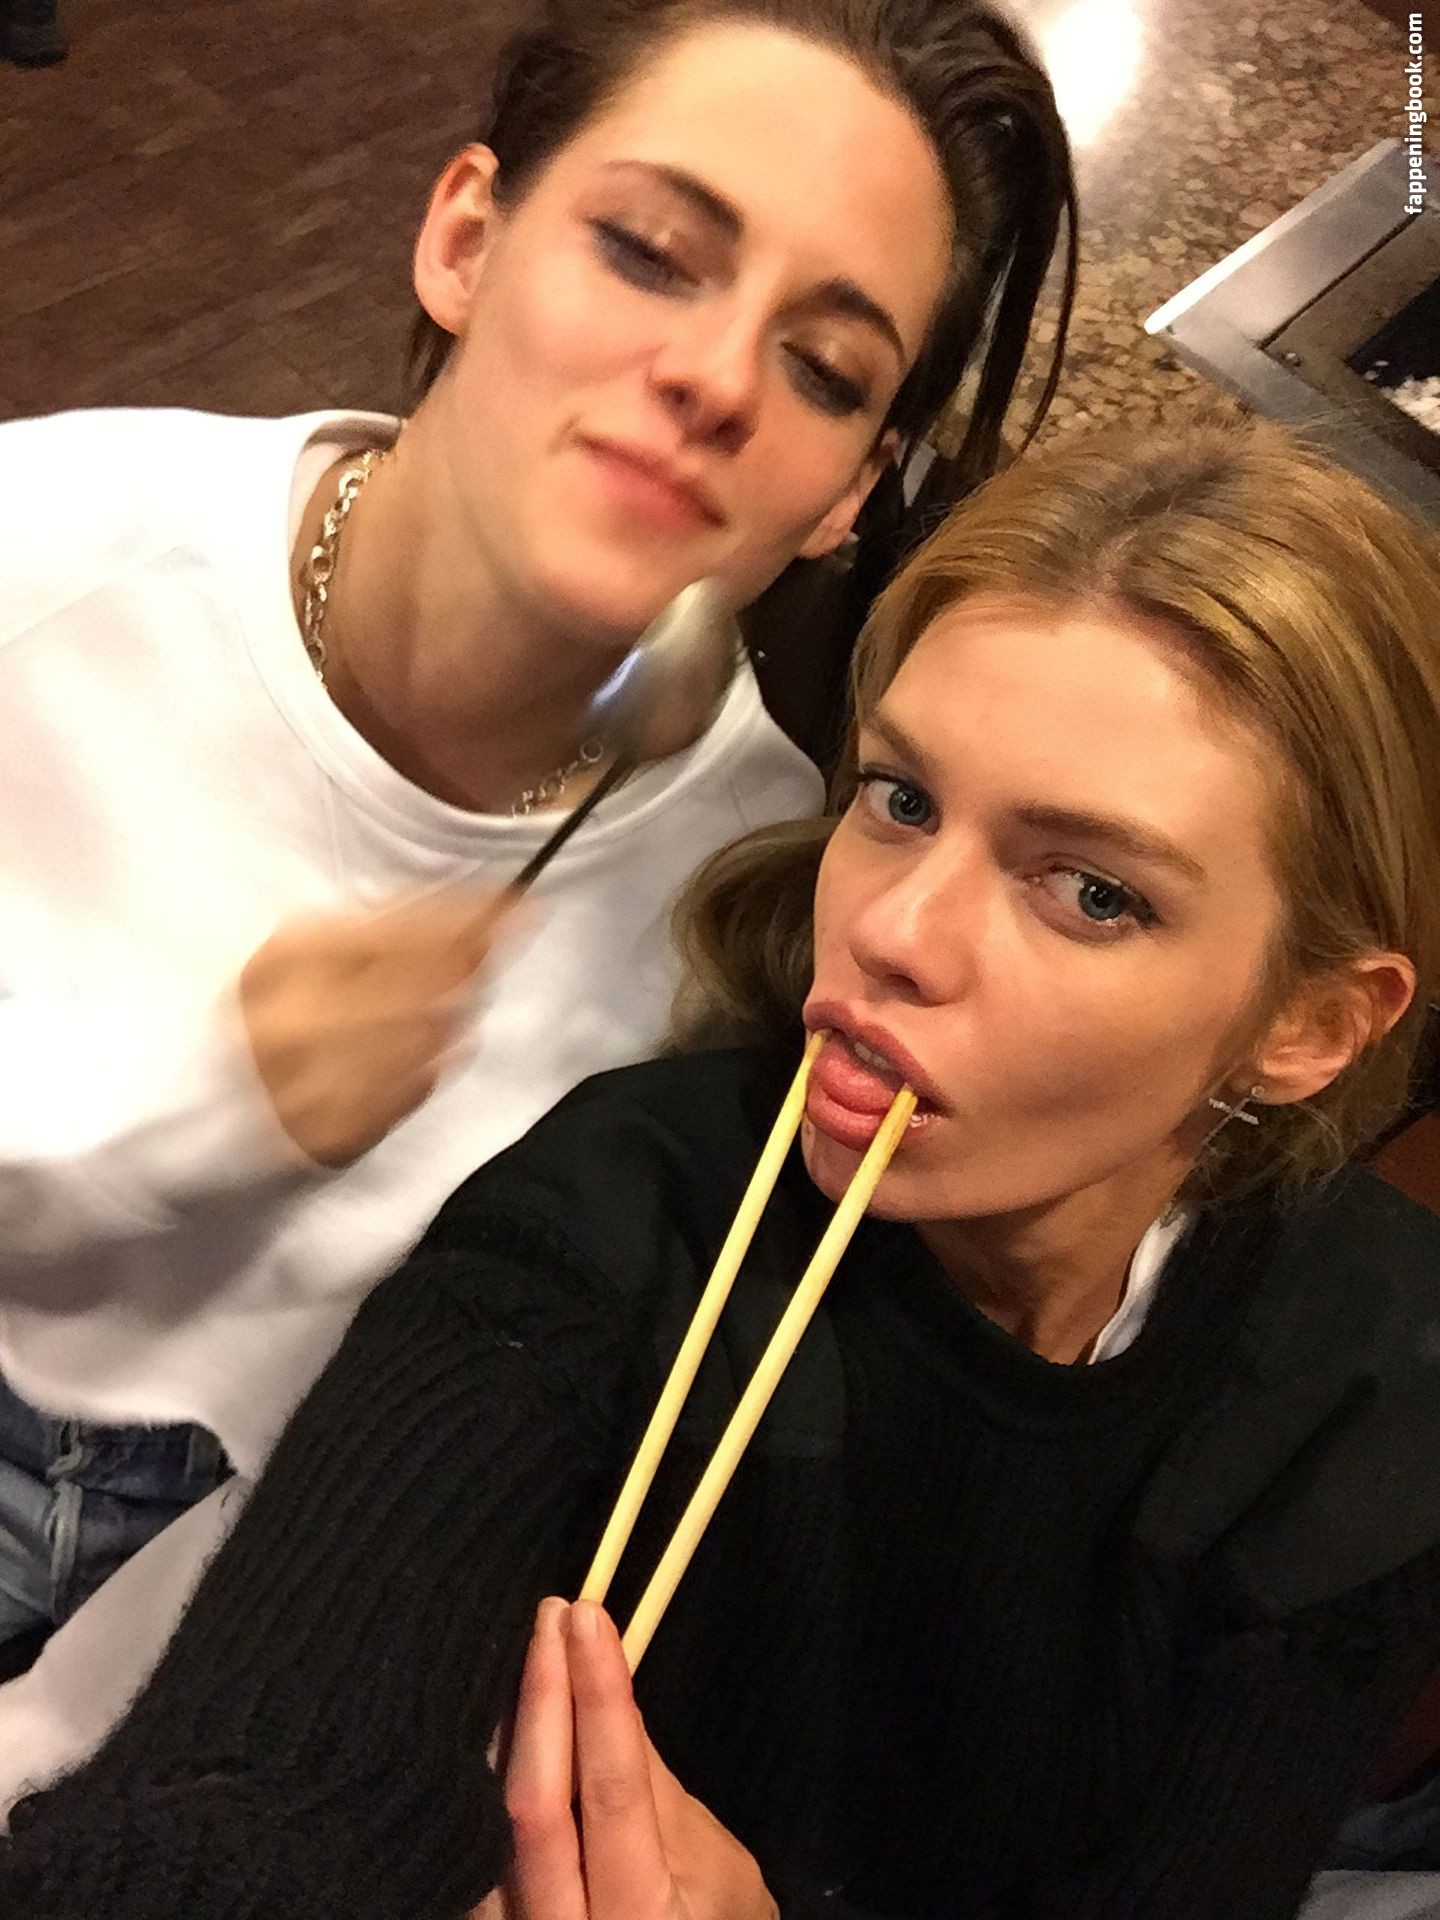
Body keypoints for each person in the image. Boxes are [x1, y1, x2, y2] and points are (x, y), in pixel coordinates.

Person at [4, 410, 1438, 1920]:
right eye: (900, 799)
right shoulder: (620, 1220)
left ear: (1310, 1023)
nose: (891, 931)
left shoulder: (1373, 1385)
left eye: (1089, 891)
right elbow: (256, 1787)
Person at [0, 0, 1075, 1789]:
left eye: (826, 370)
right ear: (464, 238)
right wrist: (195, 1120)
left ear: (845, 497)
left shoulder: (758, 913)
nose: (717, 378)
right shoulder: (46, 562)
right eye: (648, 252)